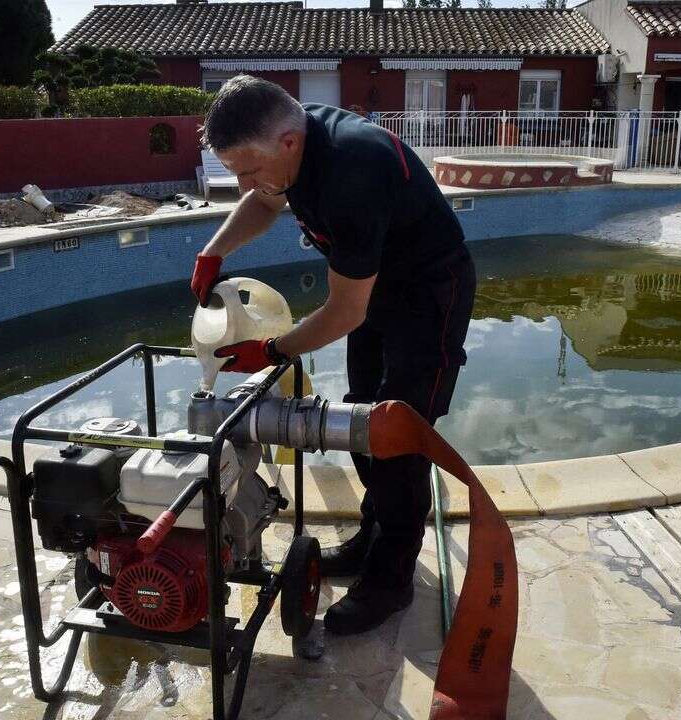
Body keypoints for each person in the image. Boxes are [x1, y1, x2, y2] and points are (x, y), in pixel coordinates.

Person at [189, 76, 476, 635]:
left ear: (289, 144)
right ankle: (375, 536)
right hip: (377, 290)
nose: (244, 183)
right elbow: (264, 201)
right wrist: (213, 250)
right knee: (361, 415)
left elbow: (344, 311)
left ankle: (391, 582)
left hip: (428, 294)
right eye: (236, 172)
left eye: (248, 169)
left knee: (398, 434)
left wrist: (270, 350)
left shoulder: (351, 174)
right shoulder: (289, 137)